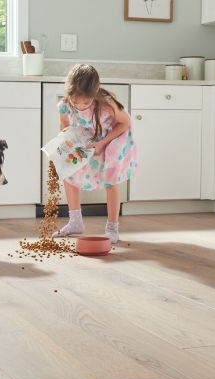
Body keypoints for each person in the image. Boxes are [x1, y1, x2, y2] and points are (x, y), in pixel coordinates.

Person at [53, 64, 138, 244]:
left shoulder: (107, 104)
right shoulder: (65, 105)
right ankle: (75, 222)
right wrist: (68, 137)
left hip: (111, 140)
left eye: (85, 102)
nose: (80, 106)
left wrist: (102, 143)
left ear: (95, 92)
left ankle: (112, 228)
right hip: (86, 141)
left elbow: (125, 123)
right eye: (76, 102)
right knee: (69, 174)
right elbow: (64, 124)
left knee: (110, 180)